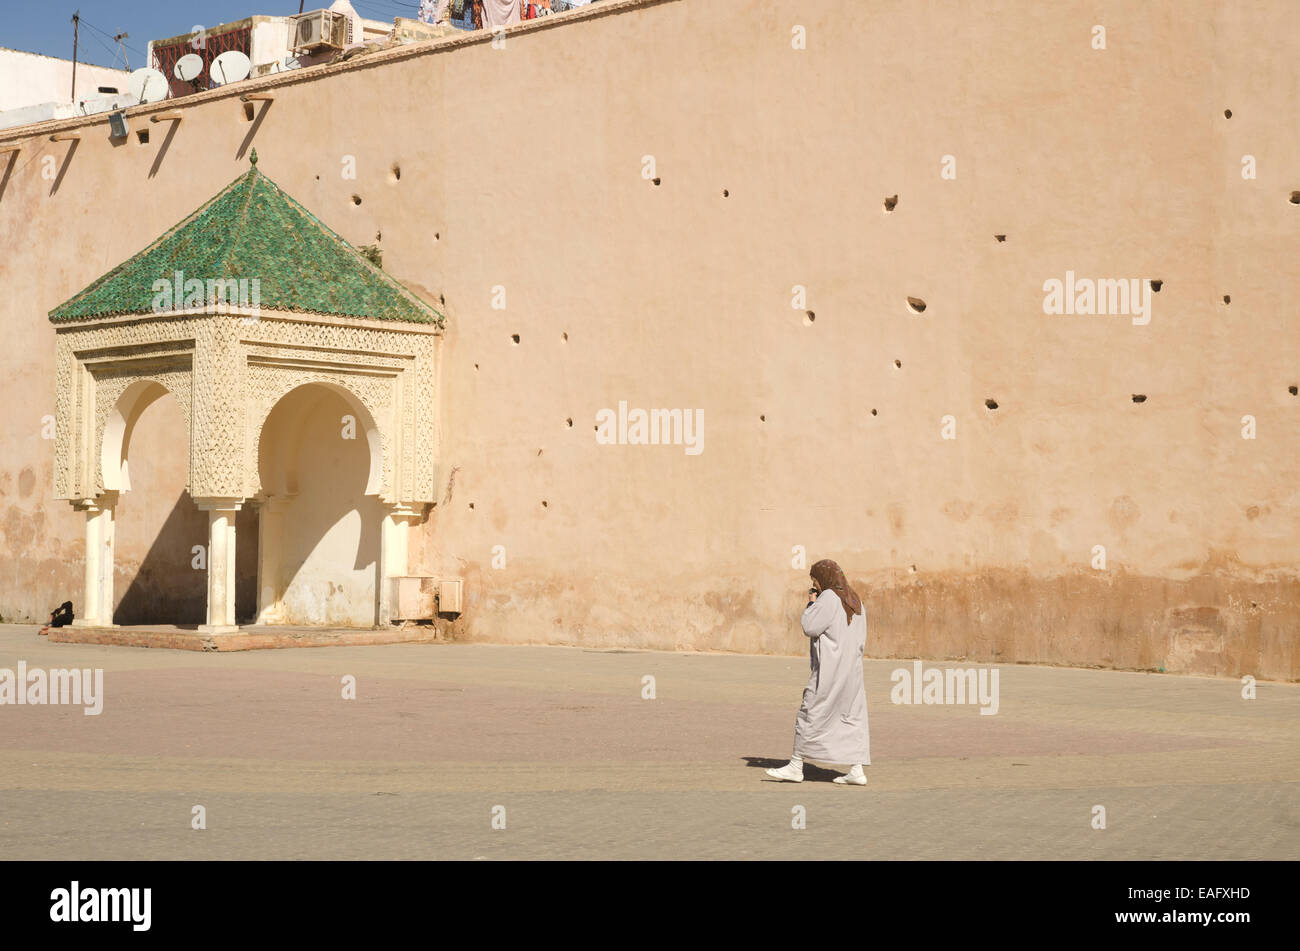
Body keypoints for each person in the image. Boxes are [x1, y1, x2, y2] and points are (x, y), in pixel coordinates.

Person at [766, 559, 870, 785]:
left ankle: (795, 766)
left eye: (815, 580)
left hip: (830, 671)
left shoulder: (829, 599)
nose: (815, 585)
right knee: (851, 716)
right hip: (852, 671)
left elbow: (810, 627)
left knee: (810, 711)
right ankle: (857, 769)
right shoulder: (856, 601)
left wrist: (812, 604)